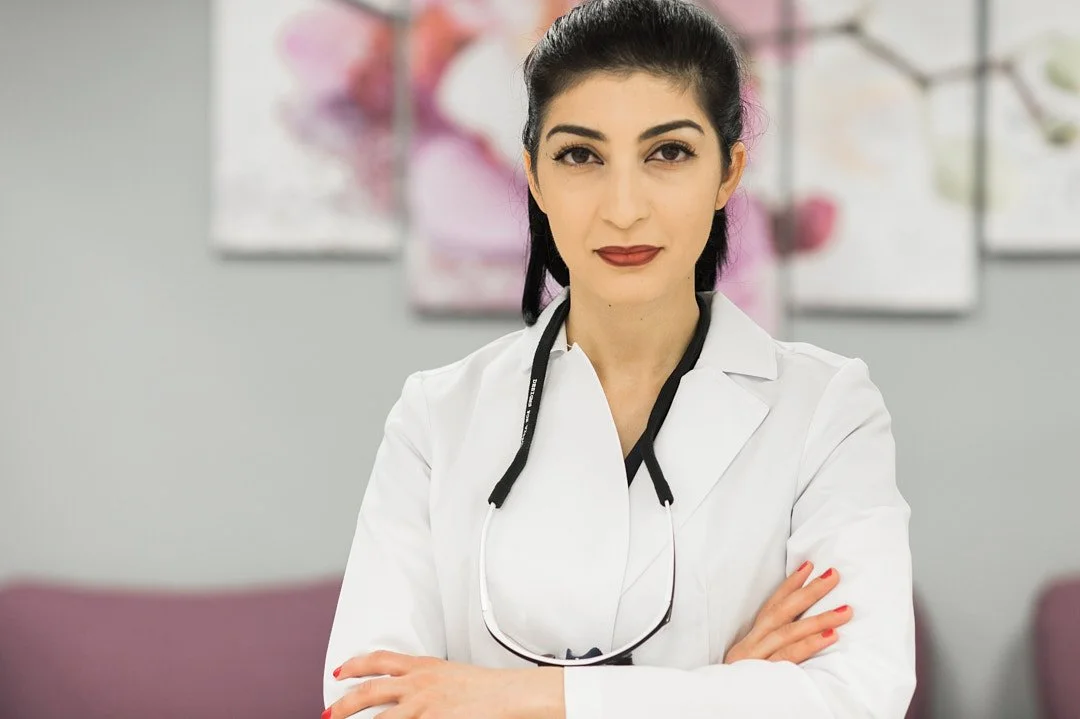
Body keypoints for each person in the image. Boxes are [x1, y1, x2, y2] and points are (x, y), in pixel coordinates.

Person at [322, 0, 916, 716]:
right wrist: (722, 685)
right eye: (580, 155)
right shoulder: (437, 417)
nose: (624, 206)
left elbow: (856, 696)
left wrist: (518, 696)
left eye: (668, 153)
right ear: (535, 178)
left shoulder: (826, 410)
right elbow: (367, 703)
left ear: (728, 173)